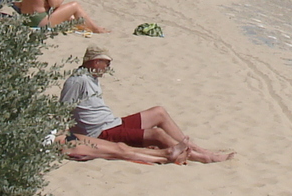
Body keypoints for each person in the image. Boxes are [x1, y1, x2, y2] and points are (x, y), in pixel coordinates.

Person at [59, 46, 233, 164]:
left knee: (159, 112)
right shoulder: (78, 80)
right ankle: (201, 157)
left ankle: (196, 148)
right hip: (101, 132)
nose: (108, 67)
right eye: (106, 63)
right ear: (95, 62)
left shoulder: (91, 78)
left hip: (112, 122)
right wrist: (72, 134)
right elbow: (63, 109)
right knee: (157, 134)